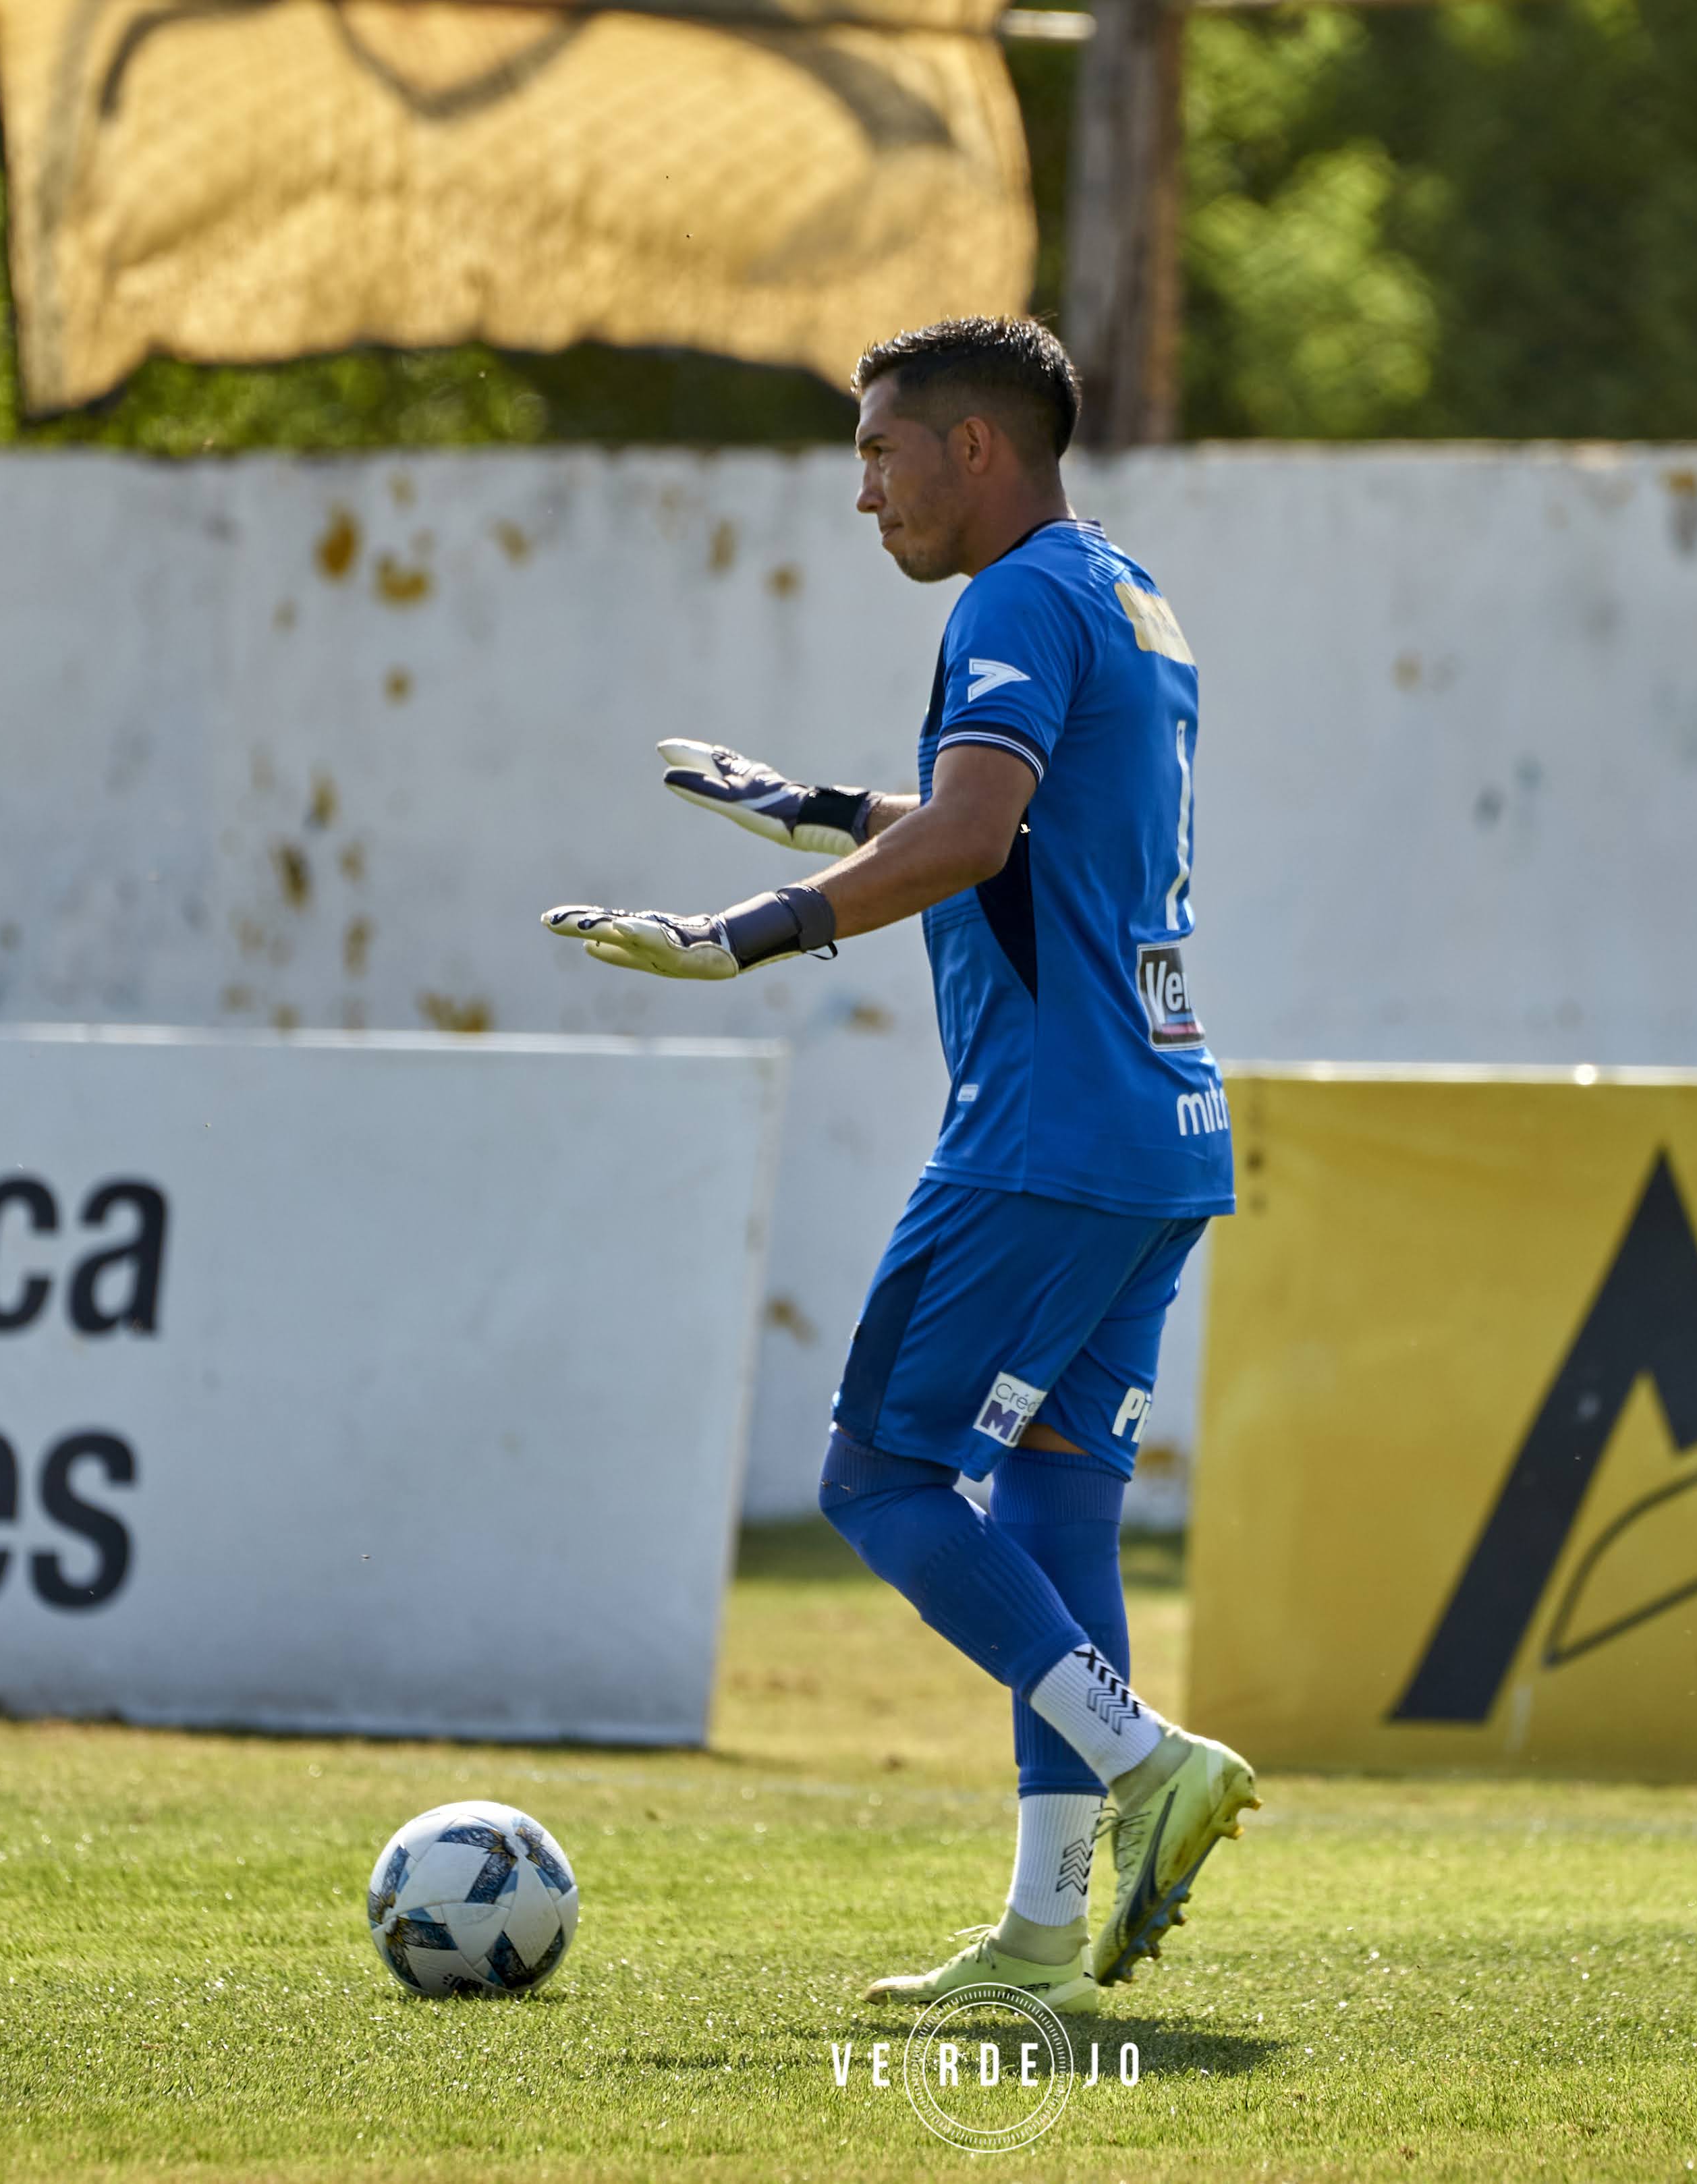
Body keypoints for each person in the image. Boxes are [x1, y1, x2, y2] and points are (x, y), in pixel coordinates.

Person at [540, 315, 1258, 2012]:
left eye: (881, 450)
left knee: (881, 1475)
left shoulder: (1004, 600)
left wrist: (746, 934)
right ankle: (1037, 1933)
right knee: (1061, 1510)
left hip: (1044, 1131)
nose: (862, 490)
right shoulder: (1123, 593)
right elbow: (1020, 835)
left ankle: (1149, 1760)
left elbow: (974, 841)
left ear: (976, 450)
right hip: (1159, 1126)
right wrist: (808, 809)